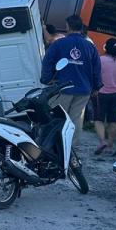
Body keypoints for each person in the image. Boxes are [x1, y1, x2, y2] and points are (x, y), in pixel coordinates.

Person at [40, 14, 101, 147]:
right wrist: (96, 87)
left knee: (57, 118)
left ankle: (54, 146)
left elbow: (47, 62)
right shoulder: (90, 47)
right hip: (84, 90)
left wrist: (47, 79)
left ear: (68, 26)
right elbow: (96, 69)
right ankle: (70, 149)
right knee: (75, 120)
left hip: (62, 88)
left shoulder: (59, 44)